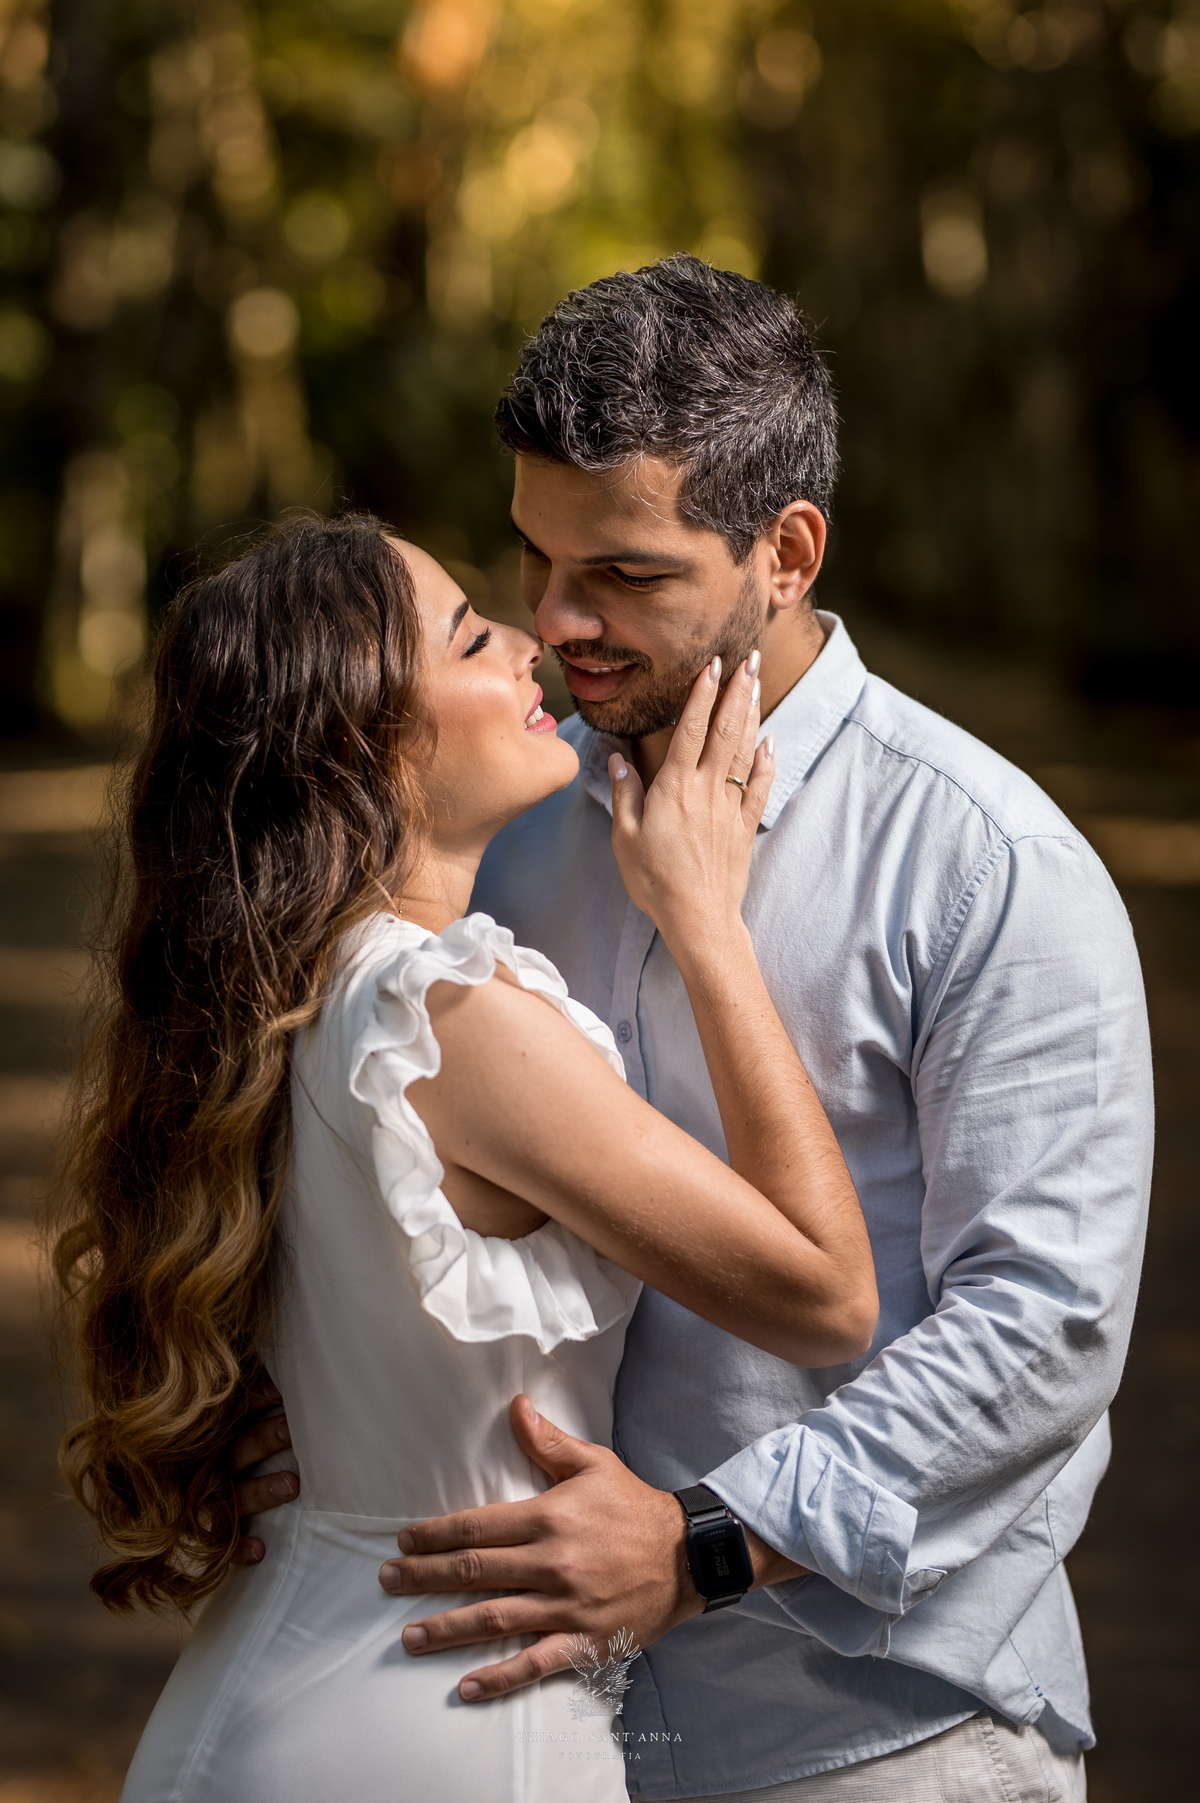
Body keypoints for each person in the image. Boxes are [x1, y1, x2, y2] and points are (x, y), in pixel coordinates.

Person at [240, 258, 1152, 1801]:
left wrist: (705, 1546)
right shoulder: (507, 827)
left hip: (878, 1739)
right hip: (533, 1730)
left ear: (785, 551)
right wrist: (320, 1386)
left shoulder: (987, 865)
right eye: (535, 560)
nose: (561, 623)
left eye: (629, 576)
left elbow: (1043, 1328)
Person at [51, 512, 878, 1803]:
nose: (529, 649)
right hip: (436, 1729)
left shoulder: (291, 999)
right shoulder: (446, 1016)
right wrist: (709, 928)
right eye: (470, 636)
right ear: (368, 742)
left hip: (296, 1686)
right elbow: (829, 1294)